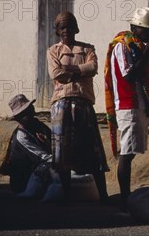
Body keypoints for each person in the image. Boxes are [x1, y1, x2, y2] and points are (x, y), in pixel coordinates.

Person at [48, 12, 109, 204]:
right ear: (58, 31)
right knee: (63, 153)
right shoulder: (53, 51)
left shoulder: (88, 48)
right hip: (61, 104)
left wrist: (70, 72)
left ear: (75, 28)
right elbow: (57, 74)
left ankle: (104, 196)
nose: (66, 31)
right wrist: (80, 72)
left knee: (93, 150)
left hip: (83, 104)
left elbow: (93, 68)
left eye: (69, 27)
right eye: (62, 27)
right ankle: (67, 197)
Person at [104, 7, 149, 211]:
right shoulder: (122, 47)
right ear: (136, 28)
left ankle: (125, 197)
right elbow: (129, 75)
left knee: (132, 150)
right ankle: (125, 200)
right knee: (126, 152)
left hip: (139, 104)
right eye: (147, 29)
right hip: (128, 105)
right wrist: (147, 52)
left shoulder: (136, 45)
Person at [0, 94, 52, 194]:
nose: (30, 113)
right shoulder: (21, 136)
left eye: (30, 109)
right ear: (19, 118)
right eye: (24, 113)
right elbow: (43, 157)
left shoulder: (38, 125)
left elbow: (53, 141)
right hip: (23, 181)